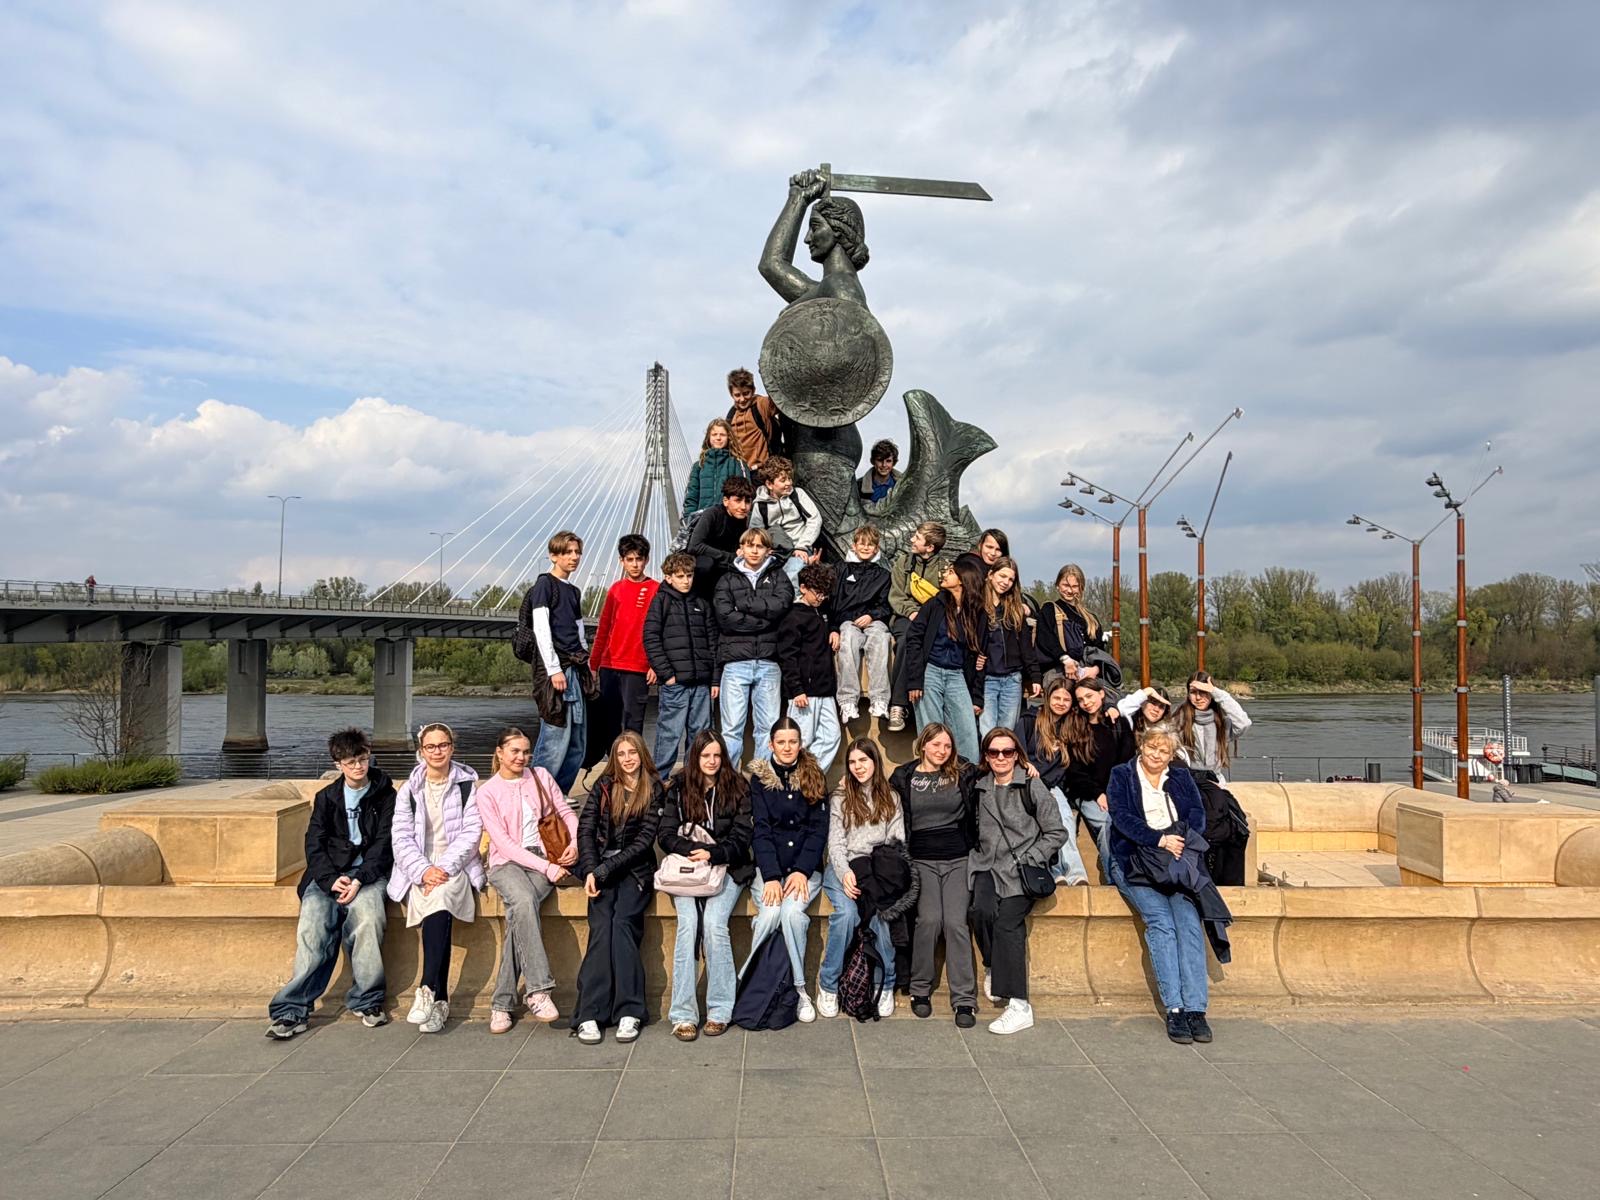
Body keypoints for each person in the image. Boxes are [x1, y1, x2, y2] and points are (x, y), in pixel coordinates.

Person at [266, 727, 396, 1039]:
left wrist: (359, 879)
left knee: (368, 918)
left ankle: (367, 1000)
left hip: (368, 875)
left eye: (362, 759)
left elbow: (385, 844)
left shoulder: (386, 794)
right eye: (351, 762)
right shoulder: (326, 798)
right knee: (313, 926)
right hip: (328, 876)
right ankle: (292, 1009)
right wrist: (330, 880)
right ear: (338, 764)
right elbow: (314, 844)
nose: (358, 767)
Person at [1106, 726, 1217, 1044]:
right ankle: (1176, 1009)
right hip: (1136, 863)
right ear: (1141, 746)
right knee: (1161, 924)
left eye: (1164, 751)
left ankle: (1196, 1009)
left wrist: (1178, 839)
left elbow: (1197, 815)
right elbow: (1121, 817)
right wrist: (1159, 839)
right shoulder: (1121, 775)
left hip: (1176, 863)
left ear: (1171, 755)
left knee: (1189, 925)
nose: (1156, 755)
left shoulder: (1180, 777)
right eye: (1152, 747)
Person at [477, 727, 577, 1034]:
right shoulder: (487, 792)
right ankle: (538, 989)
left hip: (544, 858)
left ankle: (502, 1003)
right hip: (507, 863)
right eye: (515, 751)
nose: (522, 757)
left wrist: (575, 843)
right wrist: (547, 868)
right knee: (522, 901)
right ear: (500, 753)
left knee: (519, 916)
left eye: (525, 751)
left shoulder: (541, 776)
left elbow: (564, 811)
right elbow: (504, 844)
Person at [969, 726, 1067, 1035]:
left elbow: (1056, 832)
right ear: (986, 756)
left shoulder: (1032, 786)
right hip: (987, 866)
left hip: (1021, 871)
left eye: (1007, 752)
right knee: (979, 911)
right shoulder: (978, 788)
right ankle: (992, 965)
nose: (1001, 757)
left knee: (1007, 924)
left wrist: (1031, 857)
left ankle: (1020, 1006)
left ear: (1017, 755)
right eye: (994, 752)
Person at [388, 722, 482, 1034]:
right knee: (436, 908)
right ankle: (439, 1002)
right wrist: (424, 871)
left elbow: (472, 834)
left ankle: (427, 988)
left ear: (452, 748)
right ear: (422, 751)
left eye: (443, 745)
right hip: (418, 867)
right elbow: (401, 838)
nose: (437, 751)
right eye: (431, 746)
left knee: (439, 900)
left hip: (456, 865)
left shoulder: (468, 785)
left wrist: (442, 869)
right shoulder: (409, 790)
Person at [573, 732, 666, 1044]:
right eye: (622, 753)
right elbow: (586, 830)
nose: (627, 759)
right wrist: (591, 870)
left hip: (635, 872)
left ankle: (630, 1010)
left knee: (623, 924)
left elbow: (643, 842)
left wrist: (605, 869)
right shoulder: (603, 785)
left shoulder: (653, 788)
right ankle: (589, 1013)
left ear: (642, 755)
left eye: (632, 753)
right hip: (600, 870)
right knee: (602, 927)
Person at [661, 731, 754, 1040]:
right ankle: (683, 1014)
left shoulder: (738, 786)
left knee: (714, 923)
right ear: (695, 757)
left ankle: (720, 1009)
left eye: (717, 755)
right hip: (688, 871)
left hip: (727, 867)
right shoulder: (679, 787)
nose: (712, 761)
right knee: (688, 924)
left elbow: (742, 837)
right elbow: (665, 834)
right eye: (705, 756)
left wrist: (714, 853)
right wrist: (693, 851)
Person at [892, 723, 982, 1025]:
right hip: (921, 861)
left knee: (956, 923)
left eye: (947, 746)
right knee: (929, 921)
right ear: (922, 745)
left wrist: (1027, 767)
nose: (942, 751)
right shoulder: (903, 776)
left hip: (958, 858)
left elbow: (998, 769)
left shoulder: (964, 773)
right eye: (936, 745)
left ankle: (964, 1000)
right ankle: (920, 989)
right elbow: (883, 801)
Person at [743, 717, 830, 1022]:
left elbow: (818, 829)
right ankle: (752, 984)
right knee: (769, 914)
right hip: (770, 868)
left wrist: (801, 871)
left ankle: (800, 990)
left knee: (792, 914)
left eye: (793, 741)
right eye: (781, 742)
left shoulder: (814, 775)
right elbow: (761, 829)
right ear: (771, 745)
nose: (788, 747)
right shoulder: (760, 780)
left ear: (800, 744)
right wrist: (770, 876)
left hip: (805, 870)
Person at [818, 740, 905, 1019]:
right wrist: (845, 873)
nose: (858, 767)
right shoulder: (840, 798)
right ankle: (828, 985)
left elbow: (896, 840)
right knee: (846, 915)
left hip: (878, 869)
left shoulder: (891, 797)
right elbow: (836, 844)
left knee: (883, 917)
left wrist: (882, 874)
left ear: (875, 761)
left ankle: (885, 983)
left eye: (863, 760)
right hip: (843, 867)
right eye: (853, 762)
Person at [713, 527, 794, 768]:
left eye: (760, 546)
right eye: (750, 545)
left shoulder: (779, 576)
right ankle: (729, 781)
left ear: (768, 550)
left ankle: (762, 780)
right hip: (735, 663)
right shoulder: (726, 579)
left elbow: (782, 605)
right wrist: (764, 621)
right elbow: (725, 617)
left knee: (767, 729)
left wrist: (744, 605)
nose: (755, 551)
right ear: (742, 548)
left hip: (769, 661)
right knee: (731, 730)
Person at [522, 530, 590, 792]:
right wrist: (554, 669)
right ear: (553, 555)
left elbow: (579, 631)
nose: (574, 557)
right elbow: (541, 629)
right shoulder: (544, 585)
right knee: (555, 735)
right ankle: (539, 795)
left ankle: (559, 794)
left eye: (577, 552)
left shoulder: (573, 591)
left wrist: (587, 666)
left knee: (577, 740)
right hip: (557, 670)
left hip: (576, 668)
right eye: (567, 552)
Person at [1173, 671, 1254, 886]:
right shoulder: (1179, 721)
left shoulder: (1222, 722)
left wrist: (1217, 692)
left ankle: (1226, 880)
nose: (1199, 697)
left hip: (1214, 783)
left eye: (1204, 692)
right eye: (1194, 692)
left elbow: (1244, 723)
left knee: (1236, 827)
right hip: (1189, 782)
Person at [904, 559, 988, 764]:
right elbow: (914, 638)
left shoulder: (977, 612)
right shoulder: (934, 604)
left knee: (967, 732)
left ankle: (967, 777)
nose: (945, 574)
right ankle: (933, 776)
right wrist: (915, 680)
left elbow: (980, 655)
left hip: (957, 675)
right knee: (932, 733)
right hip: (930, 671)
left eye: (951, 572)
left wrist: (977, 697)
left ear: (962, 580)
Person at [642, 551, 719, 775]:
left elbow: (713, 643)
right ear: (668, 577)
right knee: (670, 734)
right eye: (680, 576)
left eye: (689, 575)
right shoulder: (661, 601)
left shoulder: (701, 603)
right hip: (675, 684)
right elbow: (650, 638)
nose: (686, 581)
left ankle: (693, 779)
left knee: (700, 736)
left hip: (701, 683)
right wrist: (667, 674)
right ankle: (659, 780)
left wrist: (714, 679)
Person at [1060, 676, 1135, 883]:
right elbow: (1075, 772)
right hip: (1087, 793)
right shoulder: (1075, 726)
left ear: (1101, 694)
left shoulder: (1118, 723)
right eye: (1081, 699)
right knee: (1107, 824)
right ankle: (1116, 879)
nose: (1086, 702)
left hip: (1116, 790)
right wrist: (1098, 794)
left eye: (1089, 696)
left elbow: (1127, 763)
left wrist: (1114, 793)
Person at [589, 534, 659, 746]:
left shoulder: (656, 589)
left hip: (638, 668)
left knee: (633, 724)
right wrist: (593, 665)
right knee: (610, 723)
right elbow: (603, 629)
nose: (635, 564)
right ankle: (613, 765)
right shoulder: (615, 590)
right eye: (630, 559)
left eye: (639, 559)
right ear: (622, 561)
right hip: (609, 666)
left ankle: (635, 765)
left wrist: (655, 664)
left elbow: (661, 631)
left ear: (646, 560)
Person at [1023, 676, 1091, 886]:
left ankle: (1076, 874)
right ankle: (1055, 871)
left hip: (1053, 787)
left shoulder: (1072, 725)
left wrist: (1111, 707)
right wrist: (1025, 763)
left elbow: (1096, 706)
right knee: (1046, 821)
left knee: (1066, 819)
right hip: (1030, 784)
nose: (1061, 703)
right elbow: (1015, 749)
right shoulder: (1030, 720)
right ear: (1048, 698)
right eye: (1057, 698)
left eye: (1066, 699)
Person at [887, 520, 953, 732]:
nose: (912, 540)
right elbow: (896, 596)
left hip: (932, 618)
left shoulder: (945, 568)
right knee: (907, 640)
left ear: (930, 547)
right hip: (906, 616)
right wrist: (912, 612)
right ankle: (898, 704)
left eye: (917, 537)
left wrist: (926, 616)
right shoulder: (903, 563)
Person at [776, 562, 842, 773]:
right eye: (817, 592)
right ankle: (792, 782)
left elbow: (833, 616)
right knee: (800, 741)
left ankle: (808, 779)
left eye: (825, 593)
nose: (821, 597)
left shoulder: (822, 612)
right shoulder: (793, 617)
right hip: (804, 692)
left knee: (832, 736)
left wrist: (834, 629)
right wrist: (796, 689)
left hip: (825, 690)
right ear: (803, 588)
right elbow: (787, 656)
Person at [830, 524, 893, 723]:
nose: (866, 548)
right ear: (854, 546)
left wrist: (872, 616)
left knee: (880, 639)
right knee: (848, 639)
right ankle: (848, 702)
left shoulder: (883, 575)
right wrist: (833, 628)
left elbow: (886, 605)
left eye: (870, 545)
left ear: (876, 548)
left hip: (874, 621)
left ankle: (880, 700)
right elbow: (833, 601)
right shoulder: (841, 569)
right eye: (862, 544)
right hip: (848, 621)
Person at [978, 556, 1041, 736]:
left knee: (1007, 733)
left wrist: (1035, 676)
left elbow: (1026, 647)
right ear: (991, 575)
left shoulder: (1015, 610)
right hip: (987, 679)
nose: (1006, 582)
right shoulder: (978, 606)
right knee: (987, 732)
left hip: (1012, 679)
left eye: (1011, 579)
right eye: (1002, 576)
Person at [749, 455, 822, 588]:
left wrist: (802, 546)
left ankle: (793, 599)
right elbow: (756, 532)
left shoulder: (797, 494)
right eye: (783, 480)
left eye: (789, 478)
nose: (788, 483)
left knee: (793, 572)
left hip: (799, 548)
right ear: (769, 484)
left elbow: (815, 519)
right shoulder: (760, 505)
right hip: (776, 550)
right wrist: (764, 549)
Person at [1036, 563, 1108, 682]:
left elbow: (1099, 649)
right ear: (1057, 585)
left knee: (1091, 692)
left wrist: (1095, 669)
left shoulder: (1091, 618)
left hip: (1087, 671)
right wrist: (1065, 659)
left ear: (1081, 588)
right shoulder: (1049, 609)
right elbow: (1045, 638)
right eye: (1066, 585)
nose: (1070, 590)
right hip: (1058, 669)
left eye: (1075, 586)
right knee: (1061, 691)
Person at [686, 475, 755, 599]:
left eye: (747, 501)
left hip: (725, 565)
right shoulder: (712, 514)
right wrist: (729, 556)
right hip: (705, 565)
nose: (743, 507)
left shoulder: (745, 520)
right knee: (706, 565)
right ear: (726, 501)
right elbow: (694, 546)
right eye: (738, 500)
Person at [682, 417, 752, 522]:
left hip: (729, 521)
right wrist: (688, 520)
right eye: (714, 434)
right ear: (708, 438)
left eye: (722, 435)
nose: (718, 438)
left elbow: (746, 493)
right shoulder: (699, 466)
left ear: (729, 437)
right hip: (702, 521)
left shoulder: (738, 463)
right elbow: (691, 496)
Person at [726, 366, 784, 473]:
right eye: (737, 395)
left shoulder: (762, 404)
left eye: (746, 393)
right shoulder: (731, 416)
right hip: (743, 473)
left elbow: (780, 400)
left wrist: (769, 375)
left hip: (765, 471)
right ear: (731, 394)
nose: (742, 399)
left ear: (753, 390)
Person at [856, 438, 900, 507]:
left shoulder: (902, 484)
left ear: (893, 463)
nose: (884, 465)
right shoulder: (858, 486)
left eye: (888, 461)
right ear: (873, 461)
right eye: (880, 460)